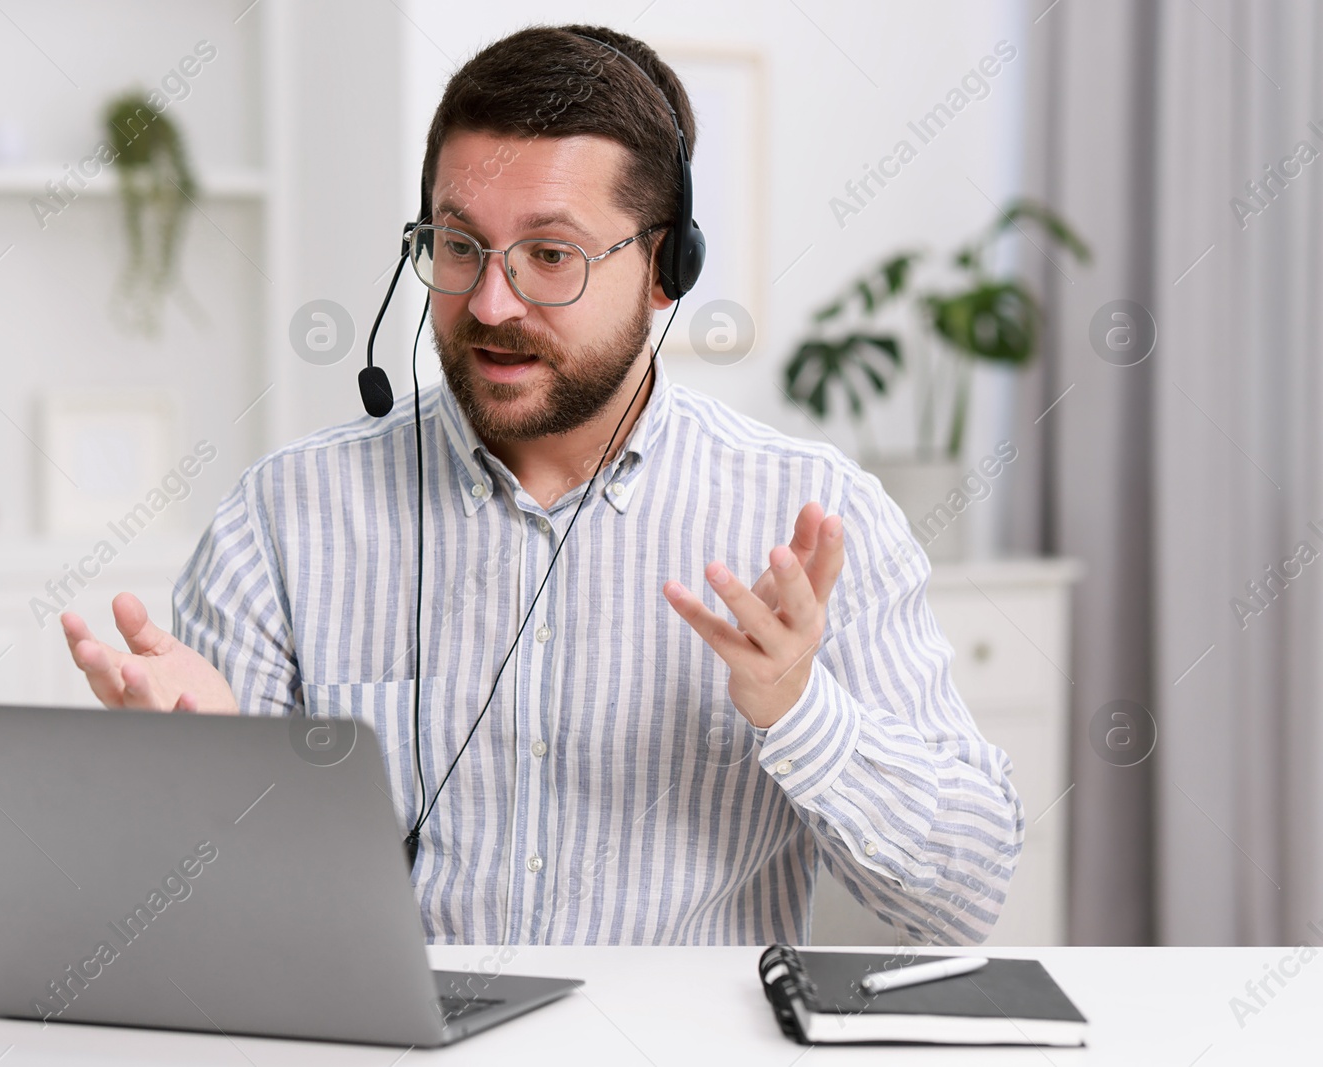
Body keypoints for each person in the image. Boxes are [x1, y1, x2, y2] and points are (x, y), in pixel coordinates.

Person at [61, 24, 1023, 947]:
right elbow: (208, 931)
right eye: (458, 244)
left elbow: (963, 899)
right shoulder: (286, 517)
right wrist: (204, 776)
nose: (489, 301)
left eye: (550, 255)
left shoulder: (810, 518)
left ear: (663, 270)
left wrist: (800, 708)